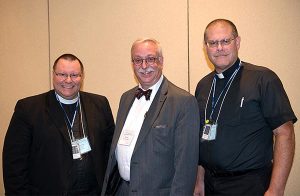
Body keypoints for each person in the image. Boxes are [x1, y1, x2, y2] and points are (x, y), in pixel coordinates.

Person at [193, 19, 297, 196]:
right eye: (213, 43)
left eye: (225, 41)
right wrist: (199, 180)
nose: (219, 47)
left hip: (250, 185)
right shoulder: (203, 86)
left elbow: (285, 133)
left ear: (237, 42)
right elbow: (203, 137)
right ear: (205, 47)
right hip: (211, 184)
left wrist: (276, 189)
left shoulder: (263, 79)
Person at [3, 53, 115, 195]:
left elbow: (109, 153)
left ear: (82, 76)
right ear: (53, 75)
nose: (68, 80)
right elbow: (14, 164)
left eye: (75, 75)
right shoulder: (29, 109)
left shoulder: (100, 104)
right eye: (62, 74)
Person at [101, 38, 200, 195]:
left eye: (150, 59)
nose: (144, 66)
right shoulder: (125, 98)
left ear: (161, 61)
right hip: (122, 190)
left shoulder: (183, 102)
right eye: (138, 60)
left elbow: (185, 167)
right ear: (132, 63)